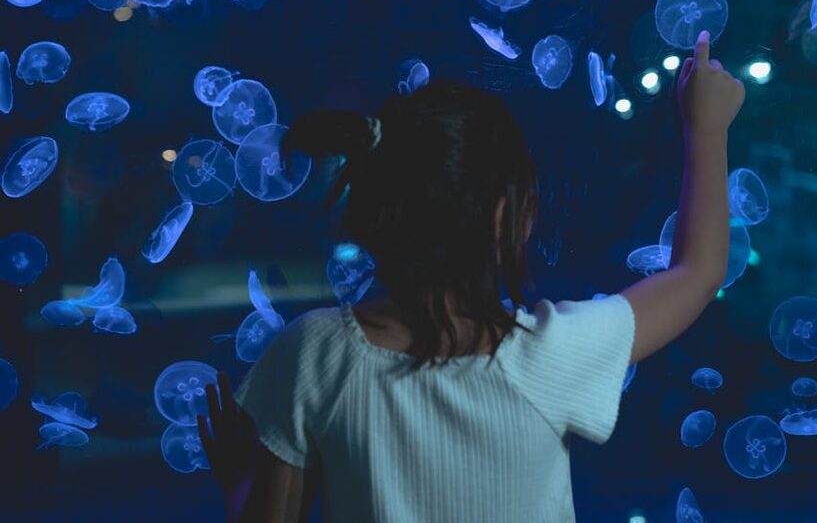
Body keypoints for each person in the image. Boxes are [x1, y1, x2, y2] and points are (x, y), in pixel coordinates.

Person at [198, 30, 745, 522]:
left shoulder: (314, 354)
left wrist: (242, 486)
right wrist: (707, 130)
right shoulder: (551, 356)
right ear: (510, 217)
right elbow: (697, 274)